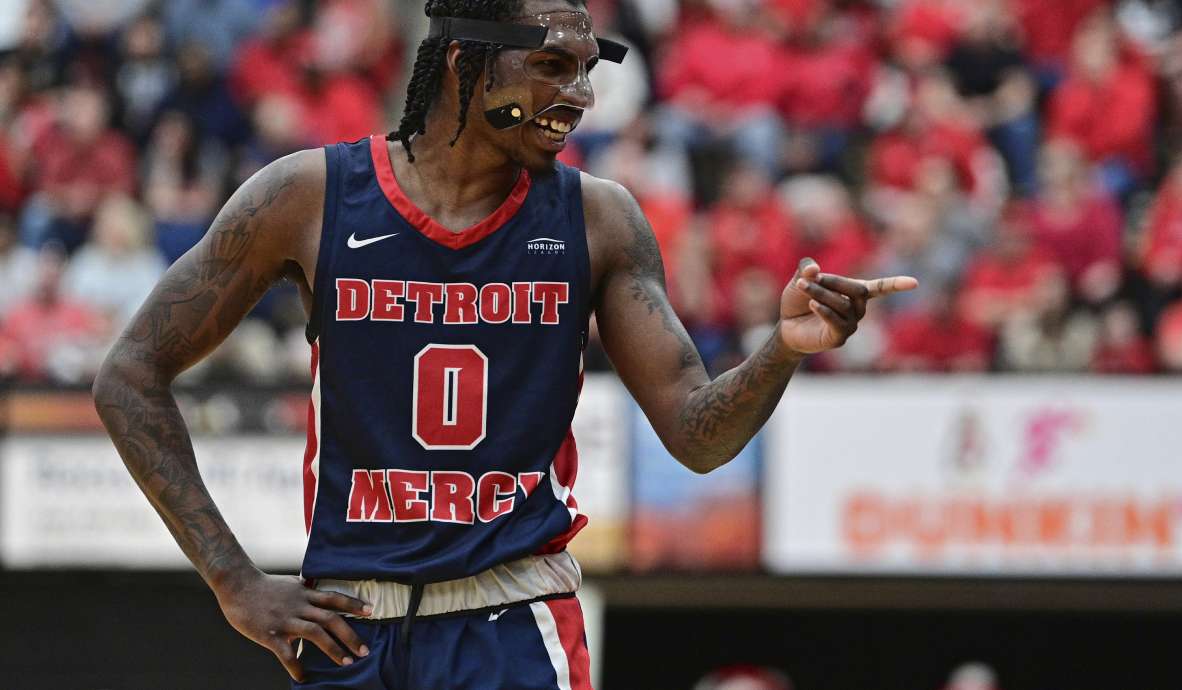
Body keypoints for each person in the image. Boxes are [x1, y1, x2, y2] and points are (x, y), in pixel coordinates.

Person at [91, 1, 916, 688]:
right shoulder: (309, 194)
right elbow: (129, 376)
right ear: (464, 63)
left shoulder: (599, 218)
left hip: (514, 621)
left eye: (588, 70)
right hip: (351, 627)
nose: (583, 95)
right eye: (554, 67)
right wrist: (233, 582)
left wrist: (783, 348)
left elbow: (697, 436)